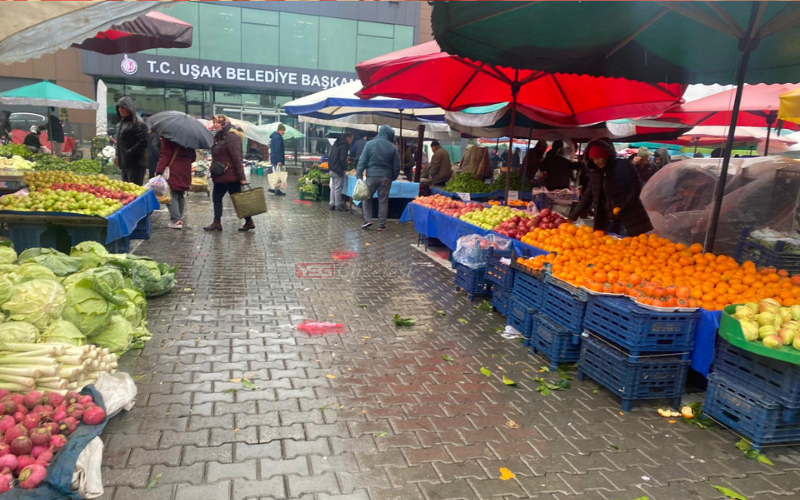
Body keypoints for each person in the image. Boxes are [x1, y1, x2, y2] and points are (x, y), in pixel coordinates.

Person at [569, 138, 652, 237]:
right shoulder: (595, 173)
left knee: (630, 247)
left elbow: (637, 187)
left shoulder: (623, 166)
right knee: (609, 248)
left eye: (598, 157)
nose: (596, 162)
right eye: (593, 159)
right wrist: (572, 217)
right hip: (607, 221)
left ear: (605, 154)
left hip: (629, 219)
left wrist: (626, 204)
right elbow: (587, 197)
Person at [204, 115, 253, 232]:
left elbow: (237, 158)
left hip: (231, 176)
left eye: (217, 123)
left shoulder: (232, 137)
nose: (215, 125)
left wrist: (242, 178)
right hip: (220, 174)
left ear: (224, 124)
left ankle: (249, 221)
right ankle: (217, 222)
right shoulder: (219, 136)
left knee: (238, 200)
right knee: (216, 197)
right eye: (214, 122)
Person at [356, 124, 400, 231]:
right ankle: (381, 225)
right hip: (386, 178)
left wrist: (359, 175)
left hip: (371, 176)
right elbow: (397, 165)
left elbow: (362, 160)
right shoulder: (393, 147)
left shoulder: (369, 144)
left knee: (367, 197)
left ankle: (368, 220)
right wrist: (393, 176)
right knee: (383, 201)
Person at [156, 138, 194, 229]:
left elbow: (165, 155)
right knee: (180, 193)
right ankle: (179, 218)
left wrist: (159, 170)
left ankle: (176, 220)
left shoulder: (168, 137)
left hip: (173, 168)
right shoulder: (189, 138)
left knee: (170, 194)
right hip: (185, 168)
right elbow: (193, 156)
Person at [114, 97, 148, 185]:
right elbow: (120, 141)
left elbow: (143, 142)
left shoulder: (138, 123)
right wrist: (118, 155)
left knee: (134, 189)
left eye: (123, 107)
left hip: (135, 164)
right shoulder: (121, 123)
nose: (120, 110)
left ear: (129, 108)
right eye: (119, 108)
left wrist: (129, 153)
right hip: (125, 162)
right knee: (126, 189)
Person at [328, 132, 352, 211]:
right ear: (348, 138)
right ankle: (338, 205)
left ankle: (332, 204)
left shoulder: (335, 144)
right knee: (338, 188)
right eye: (351, 139)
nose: (351, 141)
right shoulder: (344, 146)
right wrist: (345, 168)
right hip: (338, 169)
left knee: (333, 187)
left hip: (332, 168)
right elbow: (342, 159)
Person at [268, 124, 286, 196]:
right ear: (279, 130)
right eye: (282, 130)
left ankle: (273, 188)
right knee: (277, 175)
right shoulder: (278, 137)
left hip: (274, 158)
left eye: (284, 130)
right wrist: (279, 160)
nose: (283, 132)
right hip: (277, 159)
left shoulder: (274, 137)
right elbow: (278, 149)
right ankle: (275, 189)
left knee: (276, 174)